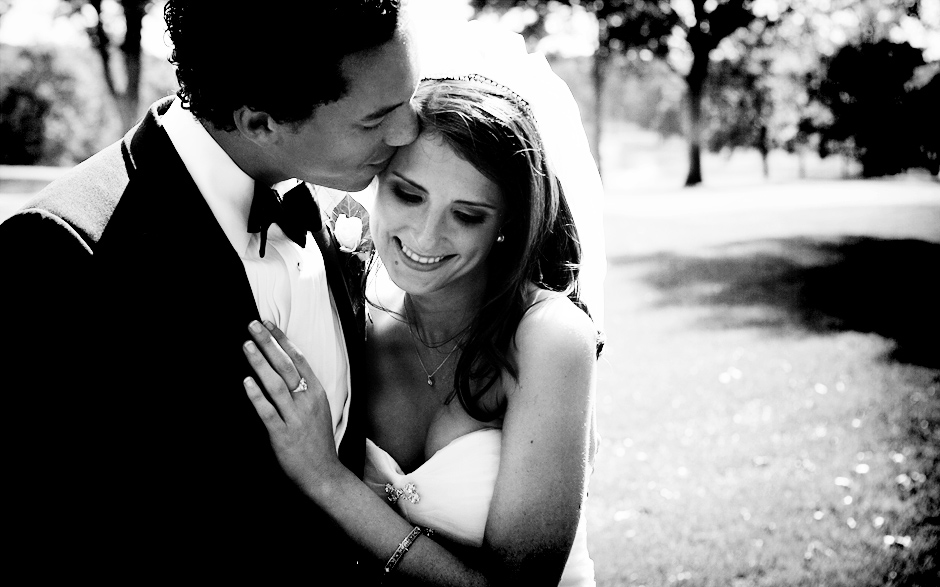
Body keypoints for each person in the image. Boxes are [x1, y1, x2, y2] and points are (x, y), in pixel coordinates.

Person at [0, 0, 418, 576]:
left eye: (406, 102)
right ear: (260, 123)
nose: (408, 131)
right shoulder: (63, 254)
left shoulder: (341, 200)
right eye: (375, 120)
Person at [240, 38, 606, 585]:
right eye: (409, 196)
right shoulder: (349, 308)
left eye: (467, 214)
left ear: (507, 222)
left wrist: (327, 481)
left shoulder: (549, 337)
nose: (425, 236)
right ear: (376, 180)